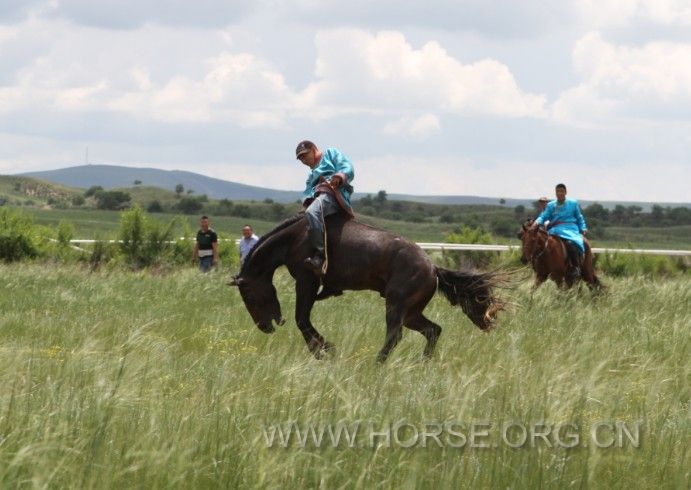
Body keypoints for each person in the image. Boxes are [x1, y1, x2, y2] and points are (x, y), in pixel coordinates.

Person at [295, 140, 355, 275]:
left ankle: (320, 255)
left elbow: (347, 167)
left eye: (304, 155)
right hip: (319, 198)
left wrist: (339, 176)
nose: (303, 160)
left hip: (332, 194)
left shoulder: (330, 153)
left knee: (312, 212)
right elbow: (307, 193)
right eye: (300, 159)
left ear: (314, 149)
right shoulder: (311, 176)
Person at [531, 184, 588, 282]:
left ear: (565, 192)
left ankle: (575, 267)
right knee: (544, 243)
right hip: (555, 229)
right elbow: (544, 216)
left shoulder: (573, 203)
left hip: (570, 228)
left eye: (562, 191)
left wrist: (583, 227)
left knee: (571, 243)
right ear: (555, 193)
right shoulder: (551, 205)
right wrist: (536, 222)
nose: (560, 193)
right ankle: (542, 266)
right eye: (558, 191)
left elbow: (579, 217)